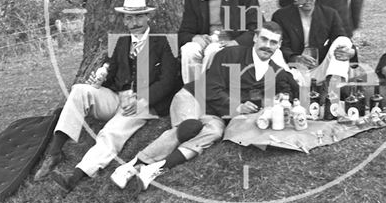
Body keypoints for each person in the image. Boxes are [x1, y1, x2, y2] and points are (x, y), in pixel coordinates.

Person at [110, 21, 299, 192]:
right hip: (193, 97)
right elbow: (210, 87)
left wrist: (287, 98)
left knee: (215, 132)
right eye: (264, 39)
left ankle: (153, 169)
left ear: (279, 45)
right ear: (256, 38)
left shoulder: (275, 71)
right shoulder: (230, 54)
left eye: (273, 42)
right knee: (189, 128)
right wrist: (237, 106)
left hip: (215, 115)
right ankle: (130, 166)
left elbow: (291, 86)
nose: (267, 45)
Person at [34, 0, 181, 192]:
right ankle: (54, 152)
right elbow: (112, 72)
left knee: (111, 132)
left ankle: (76, 176)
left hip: (143, 103)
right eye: (129, 18)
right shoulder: (121, 43)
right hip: (117, 97)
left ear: (148, 18)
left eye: (138, 17)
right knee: (79, 90)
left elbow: (168, 81)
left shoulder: (162, 43)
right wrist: (101, 77)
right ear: (124, 20)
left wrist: (142, 100)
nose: (133, 23)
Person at [178, 0, 262, 83]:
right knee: (189, 50)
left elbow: (257, 26)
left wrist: (236, 42)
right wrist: (194, 38)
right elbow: (183, 33)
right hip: (208, 43)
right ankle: (192, 92)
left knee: (213, 50)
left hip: (235, 45)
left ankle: (209, 93)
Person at [271, 0, 358, 85]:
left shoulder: (330, 14)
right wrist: (296, 58)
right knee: (273, 49)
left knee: (343, 41)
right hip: (292, 71)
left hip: (321, 70)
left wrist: (352, 52)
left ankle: (333, 88)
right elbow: (280, 46)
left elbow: (341, 38)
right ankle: (289, 89)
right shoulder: (280, 17)